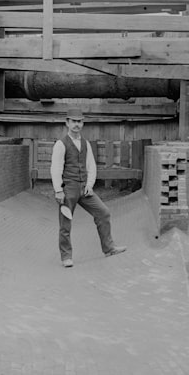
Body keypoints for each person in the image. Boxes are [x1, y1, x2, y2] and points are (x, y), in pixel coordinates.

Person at [49, 106, 126, 267]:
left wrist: (90, 185)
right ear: (67, 123)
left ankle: (109, 248)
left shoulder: (86, 144)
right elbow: (55, 168)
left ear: (82, 124)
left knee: (103, 212)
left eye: (79, 122)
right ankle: (66, 257)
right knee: (65, 224)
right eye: (74, 121)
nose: (77, 125)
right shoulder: (61, 145)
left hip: (84, 188)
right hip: (68, 188)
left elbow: (92, 166)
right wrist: (58, 190)